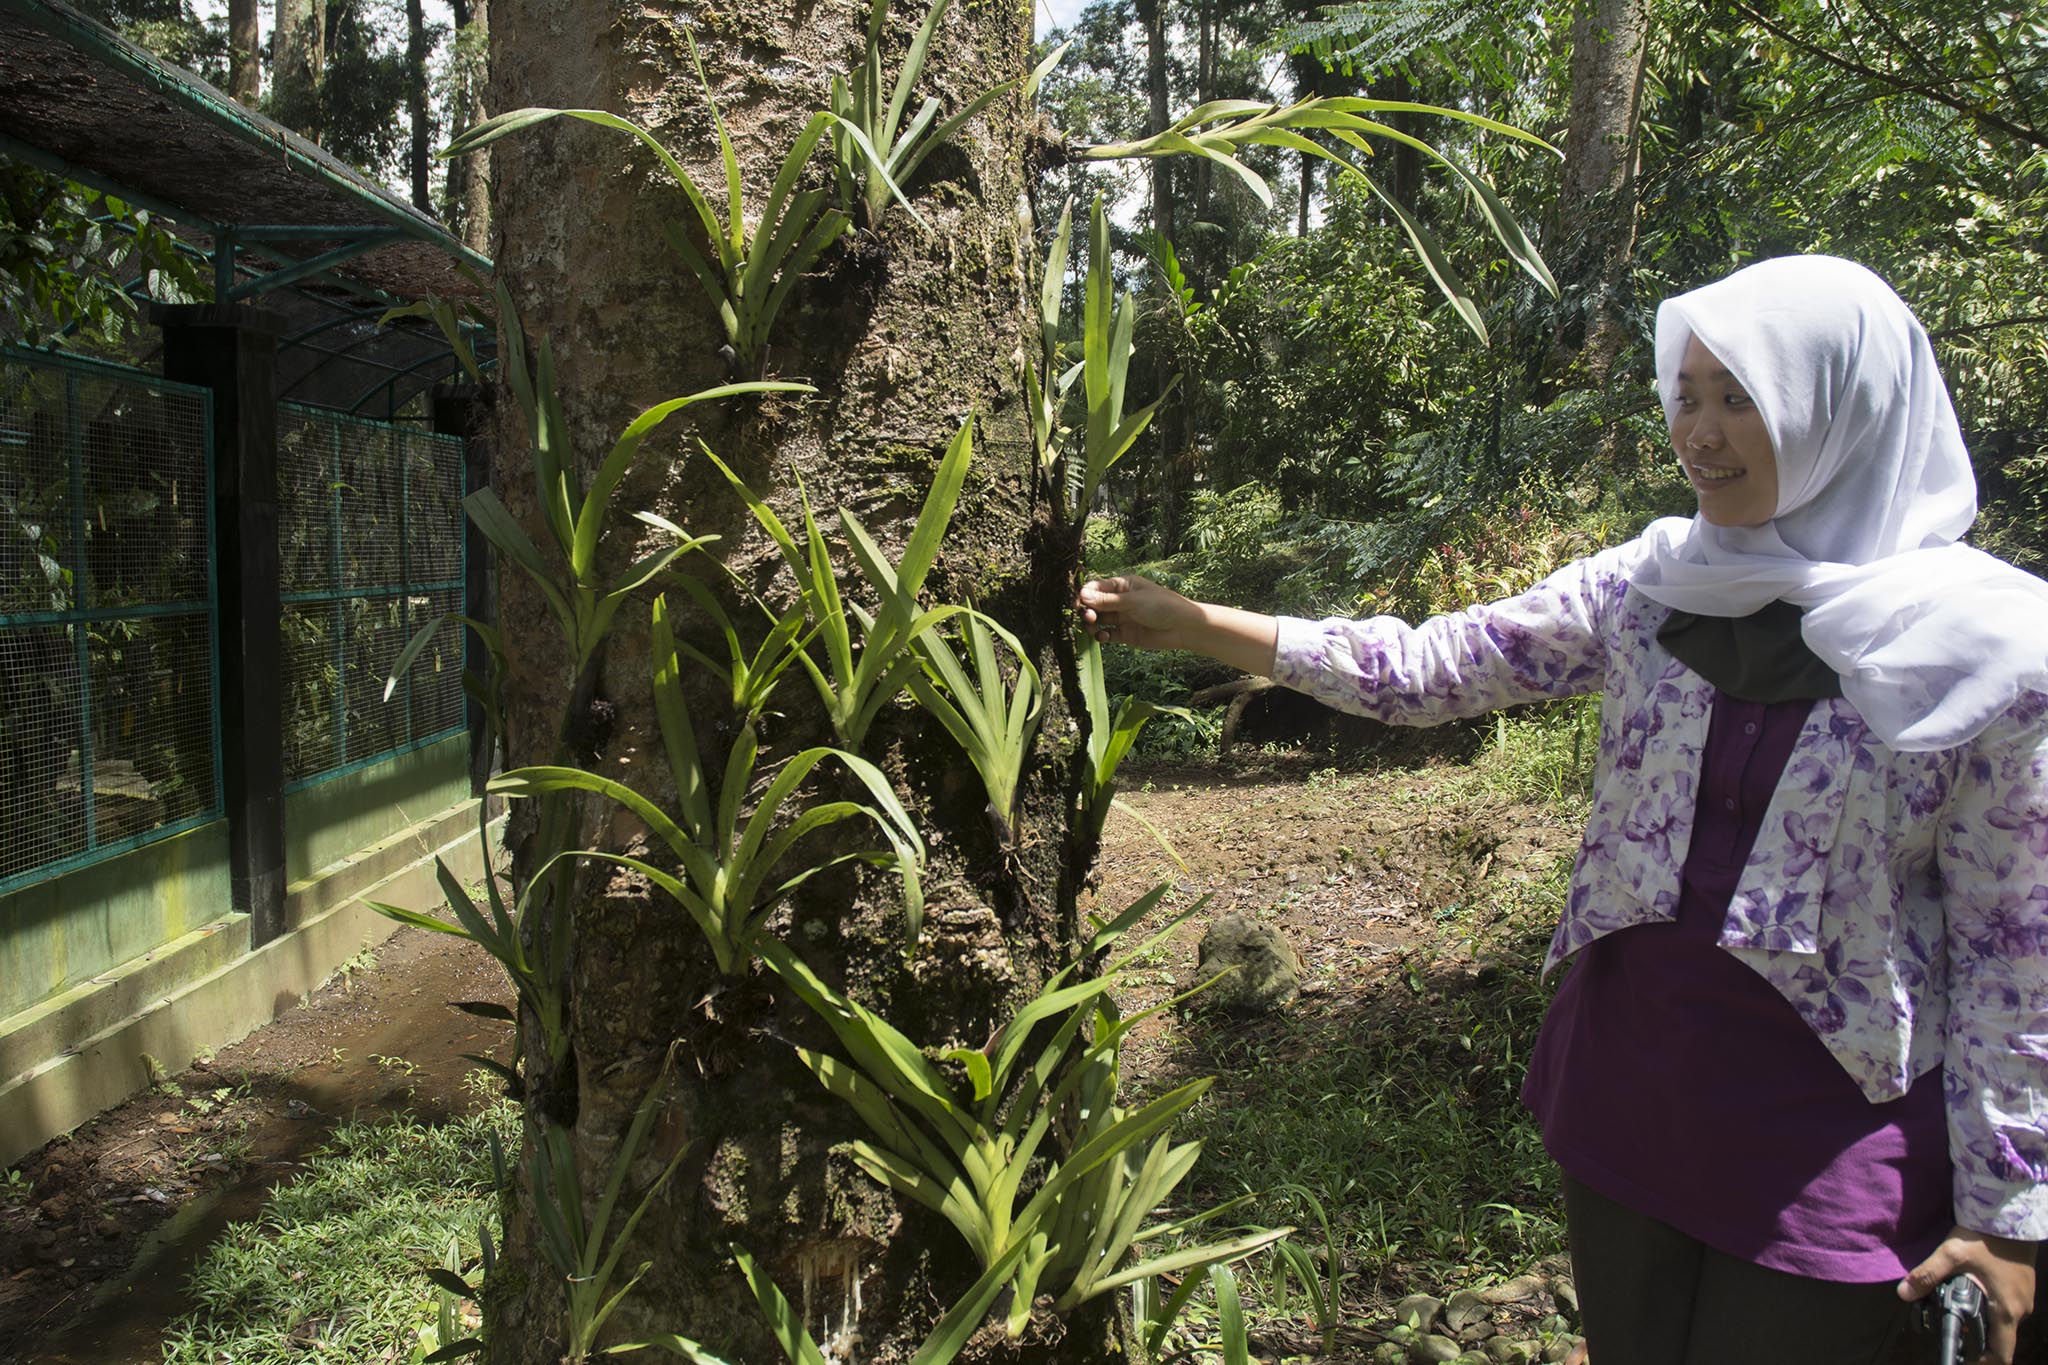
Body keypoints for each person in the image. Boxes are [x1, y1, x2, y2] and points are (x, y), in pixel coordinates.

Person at [1076, 255, 2048, 1365]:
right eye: (1684, 395)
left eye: (1740, 398)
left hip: (1832, 1136)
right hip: (1630, 1090)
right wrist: (1196, 621)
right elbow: (1431, 668)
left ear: (1842, 406)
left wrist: (2006, 1214)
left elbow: (2013, 946)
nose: (1700, 433)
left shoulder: (1985, 649)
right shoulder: (1654, 584)